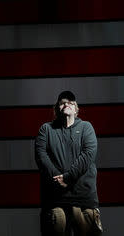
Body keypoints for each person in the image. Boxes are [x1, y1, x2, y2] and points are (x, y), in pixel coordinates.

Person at [35, 90, 103, 236]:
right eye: (62, 102)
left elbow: (88, 154)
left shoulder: (86, 127)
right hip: (55, 201)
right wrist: (59, 179)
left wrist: (68, 177)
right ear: (57, 108)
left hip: (84, 200)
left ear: (76, 108)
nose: (66, 104)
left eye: (70, 102)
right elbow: (41, 156)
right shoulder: (46, 129)